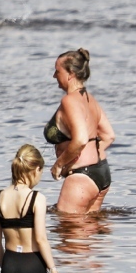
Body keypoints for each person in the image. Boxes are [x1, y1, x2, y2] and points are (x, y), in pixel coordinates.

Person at [46, 48, 115, 215]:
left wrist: (60, 164)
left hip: (82, 176)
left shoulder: (69, 100)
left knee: (68, 234)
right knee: (87, 233)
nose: (54, 76)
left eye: (57, 71)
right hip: (101, 172)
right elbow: (108, 136)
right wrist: (88, 157)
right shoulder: (90, 99)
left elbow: (81, 139)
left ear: (70, 74)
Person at [0, 143, 65, 273]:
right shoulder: (37, 198)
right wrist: (54, 272)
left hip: (9, 265)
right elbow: (41, 239)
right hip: (33, 265)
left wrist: (7, 268)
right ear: (36, 169)